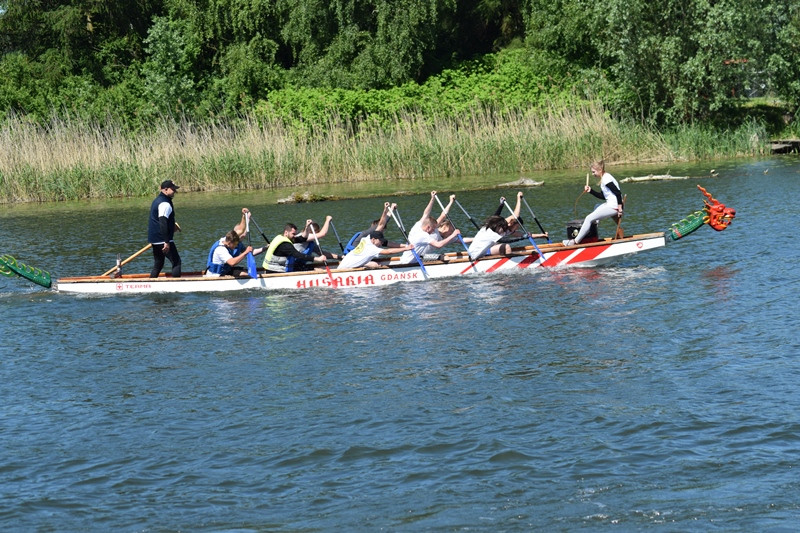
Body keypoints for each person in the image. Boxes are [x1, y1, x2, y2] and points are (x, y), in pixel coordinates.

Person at [565, 160, 623, 246]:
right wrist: (591, 191)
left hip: (614, 206)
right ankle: (592, 232)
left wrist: (620, 208)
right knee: (596, 207)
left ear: (600, 169)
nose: (593, 174)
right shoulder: (605, 177)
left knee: (588, 218)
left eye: (593, 172)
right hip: (611, 204)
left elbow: (617, 192)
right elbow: (603, 196)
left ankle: (575, 242)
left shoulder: (606, 179)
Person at [399, 191, 462, 264]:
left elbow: (427, 213)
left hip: (416, 257)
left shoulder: (419, 226)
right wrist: (453, 235)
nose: (433, 231)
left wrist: (432, 198)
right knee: (444, 257)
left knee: (444, 257)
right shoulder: (423, 234)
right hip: (415, 259)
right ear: (428, 227)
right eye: (433, 229)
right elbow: (438, 245)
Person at [148, 180, 182, 278]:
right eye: (173, 189)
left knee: (158, 264)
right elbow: (162, 222)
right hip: (163, 240)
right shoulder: (165, 203)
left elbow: (159, 221)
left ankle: (151, 283)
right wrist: (166, 241)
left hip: (155, 239)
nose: (175, 191)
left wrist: (172, 226)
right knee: (176, 262)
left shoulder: (157, 200)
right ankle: (176, 285)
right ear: (166, 190)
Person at [262, 222, 328, 273]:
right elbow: (298, 255)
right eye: (293, 234)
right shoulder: (285, 245)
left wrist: (307, 226)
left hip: (275, 268)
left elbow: (302, 238)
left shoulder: (282, 237)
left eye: (295, 234)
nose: (294, 236)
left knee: (311, 268)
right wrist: (318, 259)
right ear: (286, 232)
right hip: (275, 271)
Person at [336, 231, 414, 270]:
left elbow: (387, 243)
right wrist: (406, 249)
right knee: (374, 264)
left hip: (348, 263)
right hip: (345, 269)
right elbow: (388, 252)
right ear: (373, 239)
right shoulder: (372, 248)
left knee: (374, 264)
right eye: (380, 241)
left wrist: (405, 245)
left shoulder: (366, 239)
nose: (382, 243)